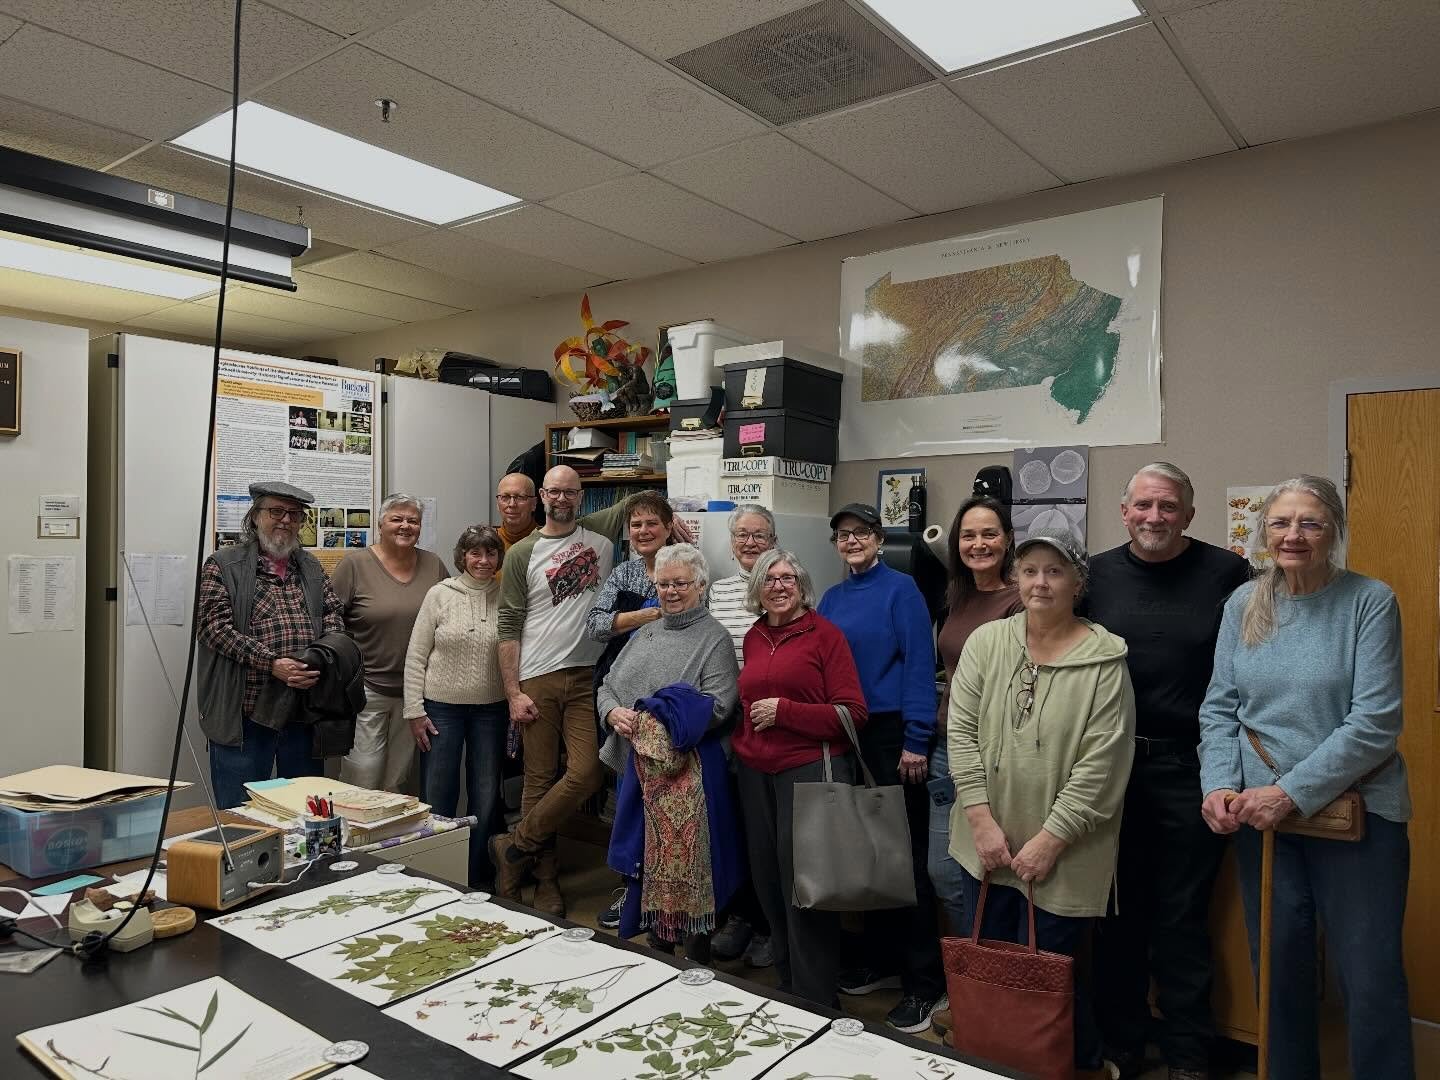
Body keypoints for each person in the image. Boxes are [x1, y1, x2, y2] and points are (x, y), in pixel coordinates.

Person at [1199, 476, 1413, 1080]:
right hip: (1260, 819)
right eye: (1281, 523)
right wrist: (1218, 783)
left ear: (1334, 531)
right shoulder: (1244, 605)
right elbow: (1220, 707)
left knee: (1368, 977)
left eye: (1310, 523)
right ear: (1264, 532)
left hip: (1357, 817)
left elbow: (1375, 722)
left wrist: (1290, 793)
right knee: (1279, 972)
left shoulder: (1369, 601)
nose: (1294, 536)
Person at [949, 527, 1135, 1080]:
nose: (1040, 582)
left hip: (1063, 855)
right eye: (1029, 570)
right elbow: (960, 732)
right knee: (991, 971)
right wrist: (981, 822)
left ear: (1078, 582)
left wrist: (1050, 841)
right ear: (1015, 577)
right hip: (985, 844)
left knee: (1052, 982)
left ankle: (1069, 1067)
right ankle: (992, 1064)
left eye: (1055, 571)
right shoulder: (987, 643)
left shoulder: (1105, 661)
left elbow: (1102, 766)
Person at [1085, 464, 1250, 1080]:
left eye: (1169, 507)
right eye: (1144, 506)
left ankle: (1187, 1053)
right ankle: (1121, 1043)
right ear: (1124, 511)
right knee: (1118, 913)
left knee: (1182, 917)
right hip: (1111, 767)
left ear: (1189, 512)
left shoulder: (1228, 575)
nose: (1155, 518)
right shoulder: (1094, 576)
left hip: (1192, 766)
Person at [816, 503, 944, 1033]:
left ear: (878, 538)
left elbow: (920, 664)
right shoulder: (831, 597)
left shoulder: (902, 590)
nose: (852, 542)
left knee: (904, 856)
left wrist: (917, 739)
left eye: (862, 533)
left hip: (893, 735)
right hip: (848, 732)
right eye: (844, 535)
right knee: (865, 853)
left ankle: (924, 984)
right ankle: (882, 960)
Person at [489, 467, 633, 913]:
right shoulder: (523, 554)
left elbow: (638, 501)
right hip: (538, 677)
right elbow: (509, 623)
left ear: (581, 496)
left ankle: (513, 847)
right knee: (538, 777)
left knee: (588, 772)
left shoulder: (601, 533)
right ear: (542, 498)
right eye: (554, 491)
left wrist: (671, 517)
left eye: (570, 492)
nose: (562, 498)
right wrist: (513, 692)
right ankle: (544, 878)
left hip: (588, 676)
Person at [732, 548, 869, 1007]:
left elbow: (853, 713)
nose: (778, 586)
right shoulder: (753, 637)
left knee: (805, 888)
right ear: (757, 589)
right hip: (755, 773)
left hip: (808, 772)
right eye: (769, 579)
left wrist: (786, 712)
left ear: (802, 585)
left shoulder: (824, 636)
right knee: (768, 882)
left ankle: (816, 999)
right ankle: (788, 987)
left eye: (788, 577)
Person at [597, 544, 742, 944]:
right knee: (643, 860)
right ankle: (658, 948)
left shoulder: (714, 638)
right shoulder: (644, 632)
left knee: (693, 868)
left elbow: (719, 705)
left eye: (680, 583)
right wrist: (612, 713)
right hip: (638, 770)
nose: (671, 591)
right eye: (663, 584)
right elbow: (609, 685)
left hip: (690, 774)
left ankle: (695, 953)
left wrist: (652, 721)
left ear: (699, 584)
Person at [927, 494, 1024, 1040]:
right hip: (947, 746)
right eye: (968, 536)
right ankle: (970, 978)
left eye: (989, 534)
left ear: (1007, 538)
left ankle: (990, 990)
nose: (978, 544)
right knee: (945, 870)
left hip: (997, 756)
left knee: (988, 872)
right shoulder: (957, 597)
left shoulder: (1020, 600)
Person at [197, 480, 347, 810]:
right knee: (242, 813)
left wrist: (319, 659)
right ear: (254, 517)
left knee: (306, 812)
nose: (285, 520)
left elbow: (333, 613)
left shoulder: (309, 566)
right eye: (275, 511)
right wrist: (272, 663)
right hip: (245, 715)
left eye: (294, 514)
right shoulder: (223, 564)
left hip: (301, 711)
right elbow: (212, 628)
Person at [404, 525, 508, 890]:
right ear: (462, 556)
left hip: (492, 710)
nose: (483, 561)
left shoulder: (507, 594)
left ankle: (478, 878)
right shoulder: (440, 594)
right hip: (440, 710)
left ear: (499, 557)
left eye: (490, 553)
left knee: (485, 794)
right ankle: (436, 873)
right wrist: (414, 710)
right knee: (437, 792)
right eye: (475, 553)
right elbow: (416, 655)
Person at [704, 504, 778, 968]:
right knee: (729, 823)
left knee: (763, 830)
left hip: (769, 722)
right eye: (742, 535)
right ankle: (741, 917)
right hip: (724, 722)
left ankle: (771, 924)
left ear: (774, 540)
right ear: (732, 543)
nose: (750, 542)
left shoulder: (781, 584)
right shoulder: (719, 592)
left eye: (760, 534)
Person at [332, 493, 447, 792]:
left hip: (415, 693)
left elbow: (449, 617)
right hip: (367, 689)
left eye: (413, 520)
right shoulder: (354, 565)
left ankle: (385, 839)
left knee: (396, 779)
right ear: (380, 524)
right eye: (397, 519)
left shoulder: (433, 565)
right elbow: (330, 622)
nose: (405, 526)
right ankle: (353, 836)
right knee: (363, 775)